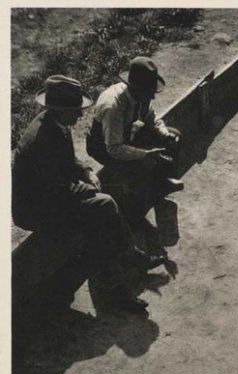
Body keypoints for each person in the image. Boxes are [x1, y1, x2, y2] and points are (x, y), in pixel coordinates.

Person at [12, 75, 165, 312]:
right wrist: (89, 189)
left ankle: (126, 265)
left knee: (102, 213)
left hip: (52, 195)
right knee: (103, 208)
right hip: (35, 209)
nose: (80, 115)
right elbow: (59, 188)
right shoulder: (41, 139)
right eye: (75, 110)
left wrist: (87, 171)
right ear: (59, 109)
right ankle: (119, 282)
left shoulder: (54, 123)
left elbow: (68, 160)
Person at [86, 56, 183, 224]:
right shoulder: (113, 106)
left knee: (174, 135)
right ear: (136, 89)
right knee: (139, 168)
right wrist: (144, 154)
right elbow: (114, 148)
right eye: (149, 92)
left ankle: (161, 184)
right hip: (103, 147)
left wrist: (165, 134)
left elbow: (152, 118)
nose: (152, 97)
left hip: (124, 136)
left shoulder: (140, 96)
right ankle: (134, 217)